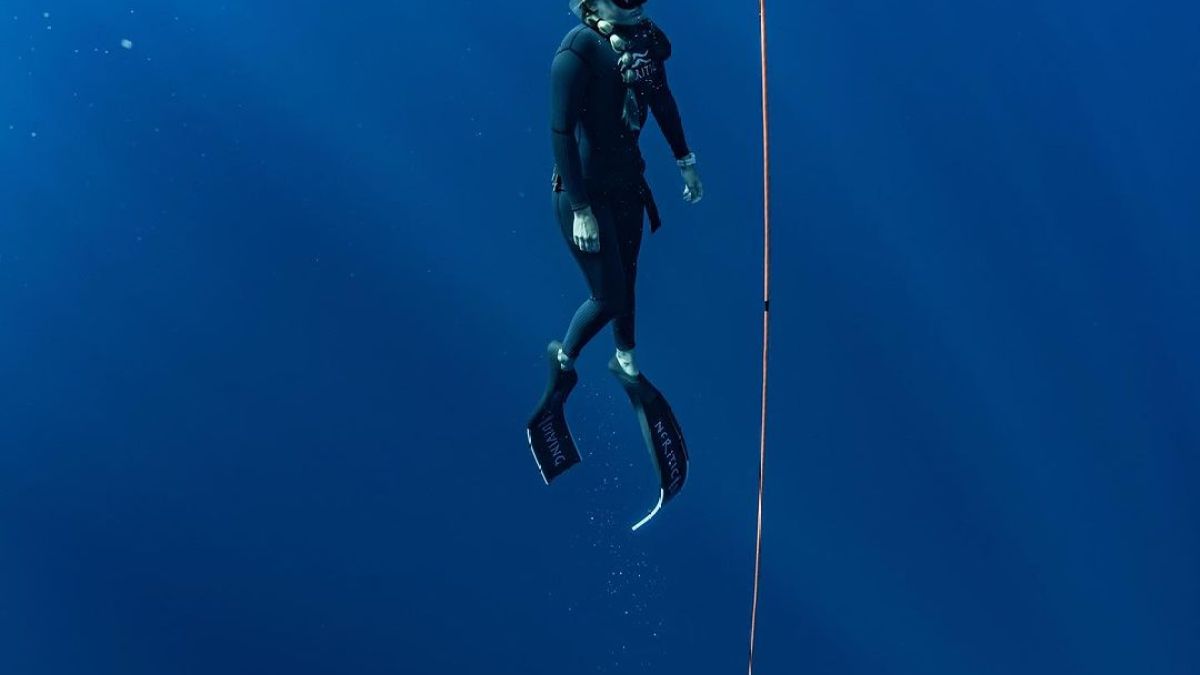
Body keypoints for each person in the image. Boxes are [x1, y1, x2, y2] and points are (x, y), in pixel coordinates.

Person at [547, 0, 703, 384]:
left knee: (628, 278)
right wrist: (581, 209)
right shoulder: (579, 48)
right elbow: (561, 132)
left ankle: (625, 358)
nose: (636, 4)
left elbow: (663, 100)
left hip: (628, 183)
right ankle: (563, 359)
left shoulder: (646, 40)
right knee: (609, 295)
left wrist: (685, 161)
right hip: (583, 191)